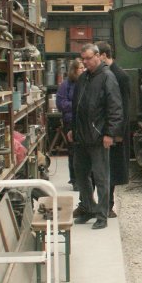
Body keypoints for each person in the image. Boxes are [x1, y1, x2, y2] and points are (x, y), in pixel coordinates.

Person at [69, 43, 123, 230]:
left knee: (101, 177)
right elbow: (76, 106)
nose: (85, 62)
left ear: (98, 56)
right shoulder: (83, 78)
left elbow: (115, 108)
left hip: (99, 137)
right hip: (81, 137)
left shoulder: (108, 77)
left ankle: (102, 214)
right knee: (80, 175)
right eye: (83, 59)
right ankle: (89, 207)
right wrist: (72, 129)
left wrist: (110, 133)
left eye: (89, 58)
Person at [96, 41, 131, 218]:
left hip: (115, 132)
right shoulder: (103, 74)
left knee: (111, 170)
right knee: (104, 169)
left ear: (103, 55)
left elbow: (123, 107)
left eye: (96, 55)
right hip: (105, 129)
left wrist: (117, 133)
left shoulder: (120, 76)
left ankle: (108, 206)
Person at [55, 59, 84, 187]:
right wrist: (77, 105)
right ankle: (75, 179)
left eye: (84, 67)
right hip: (70, 121)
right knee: (73, 151)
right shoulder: (65, 85)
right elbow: (61, 104)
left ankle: (84, 178)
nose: (83, 70)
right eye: (80, 68)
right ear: (74, 70)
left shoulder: (86, 82)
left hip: (84, 121)